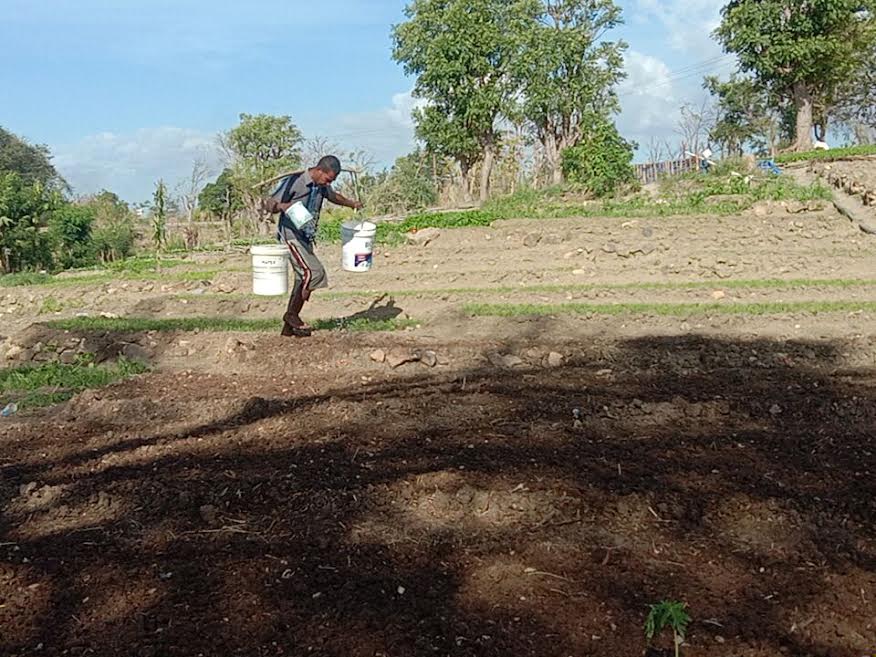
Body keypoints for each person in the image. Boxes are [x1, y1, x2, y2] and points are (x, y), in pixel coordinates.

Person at [262, 155, 362, 337]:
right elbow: (269, 204)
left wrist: (351, 204)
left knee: (302, 279)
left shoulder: (321, 186)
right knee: (314, 272)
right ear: (319, 170)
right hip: (290, 236)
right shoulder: (295, 181)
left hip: (306, 237)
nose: (328, 183)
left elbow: (333, 197)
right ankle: (291, 315)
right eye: (328, 179)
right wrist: (284, 206)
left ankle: (288, 328)